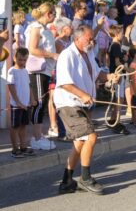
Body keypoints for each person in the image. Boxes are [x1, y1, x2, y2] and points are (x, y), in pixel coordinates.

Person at [54, 25, 119, 194]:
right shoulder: (66, 56)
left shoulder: (89, 53)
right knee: (91, 136)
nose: (92, 41)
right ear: (77, 39)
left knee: (80, 142)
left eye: (92, 38)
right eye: (89, 38)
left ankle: (67, 181)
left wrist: (109, 76)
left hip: (83, 104)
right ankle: (85, 178)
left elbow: (97, 75)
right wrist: (83, 95)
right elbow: (64, 83)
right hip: (69, 103)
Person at [25, 2, 58, 150]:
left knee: (43, 102)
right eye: (54, 13)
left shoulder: (45, 29)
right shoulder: (36, 28)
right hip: (38, 70)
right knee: (39, 102)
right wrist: (52, 55)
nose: (55, 16)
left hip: (45, 70)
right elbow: (32, 49)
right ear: (48, 14)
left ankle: (39, 135)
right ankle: (36, 138)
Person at [7, 47, 36, 158]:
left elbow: (29, 86)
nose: (22, 62)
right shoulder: (12, 71)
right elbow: (11, 87)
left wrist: (32, 99)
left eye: (24, 60)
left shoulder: (25, 71)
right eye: (20, 59)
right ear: (15, 58)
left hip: (26, 104)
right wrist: (18, 102)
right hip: (17, 105)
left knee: (23, 125)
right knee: (15, 127)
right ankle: (15, 149)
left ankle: (23, 147)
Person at [47, 16, 73, 138]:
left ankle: (66, 125)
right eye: (70, 27)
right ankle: (53, 125)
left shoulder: (70, 40)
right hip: (57, 71)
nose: (72, 28)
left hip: (68, 71)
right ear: (64, 29)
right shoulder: (58, 41)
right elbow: (64, 56)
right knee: (54, 99)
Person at [107, 25, 130, 135]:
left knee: (117, 98)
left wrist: (124, 58)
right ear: (116, 34)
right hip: (117, 75)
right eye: (121, 33)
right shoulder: (115, 45)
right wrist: (127, 68)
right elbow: (117, 63)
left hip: (117, 74)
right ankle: (117, 122)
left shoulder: (115, 45)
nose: (123, 35)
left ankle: (112, 119)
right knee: (119, 99)